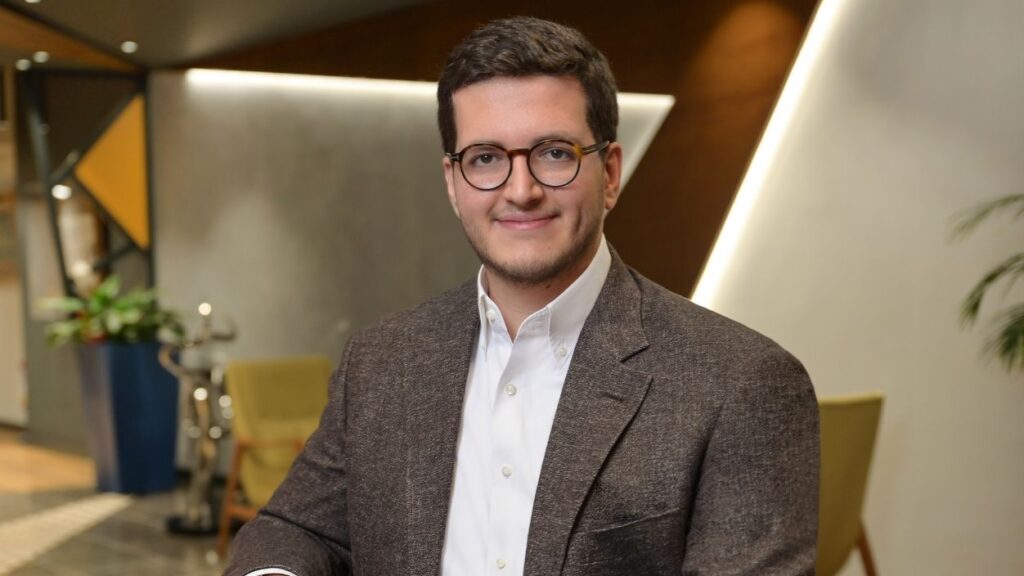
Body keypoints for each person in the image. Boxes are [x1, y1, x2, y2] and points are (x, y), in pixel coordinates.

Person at [225, 16, 819, 576]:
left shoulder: (739, 384)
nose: (521, 189)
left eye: (554, 153)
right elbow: (297, 528)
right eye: (486, 158)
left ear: (610, 173)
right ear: (453, 183)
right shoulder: (382, 360)